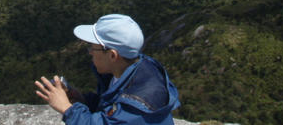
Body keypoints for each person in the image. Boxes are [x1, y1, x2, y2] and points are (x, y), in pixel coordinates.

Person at [35, 14, 180, 125]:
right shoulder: (129, 69)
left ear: (112, 55)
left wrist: (67, 108)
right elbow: (111, 107)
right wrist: (82, 99)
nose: (90, 51)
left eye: (93, 47)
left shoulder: (139, 105)